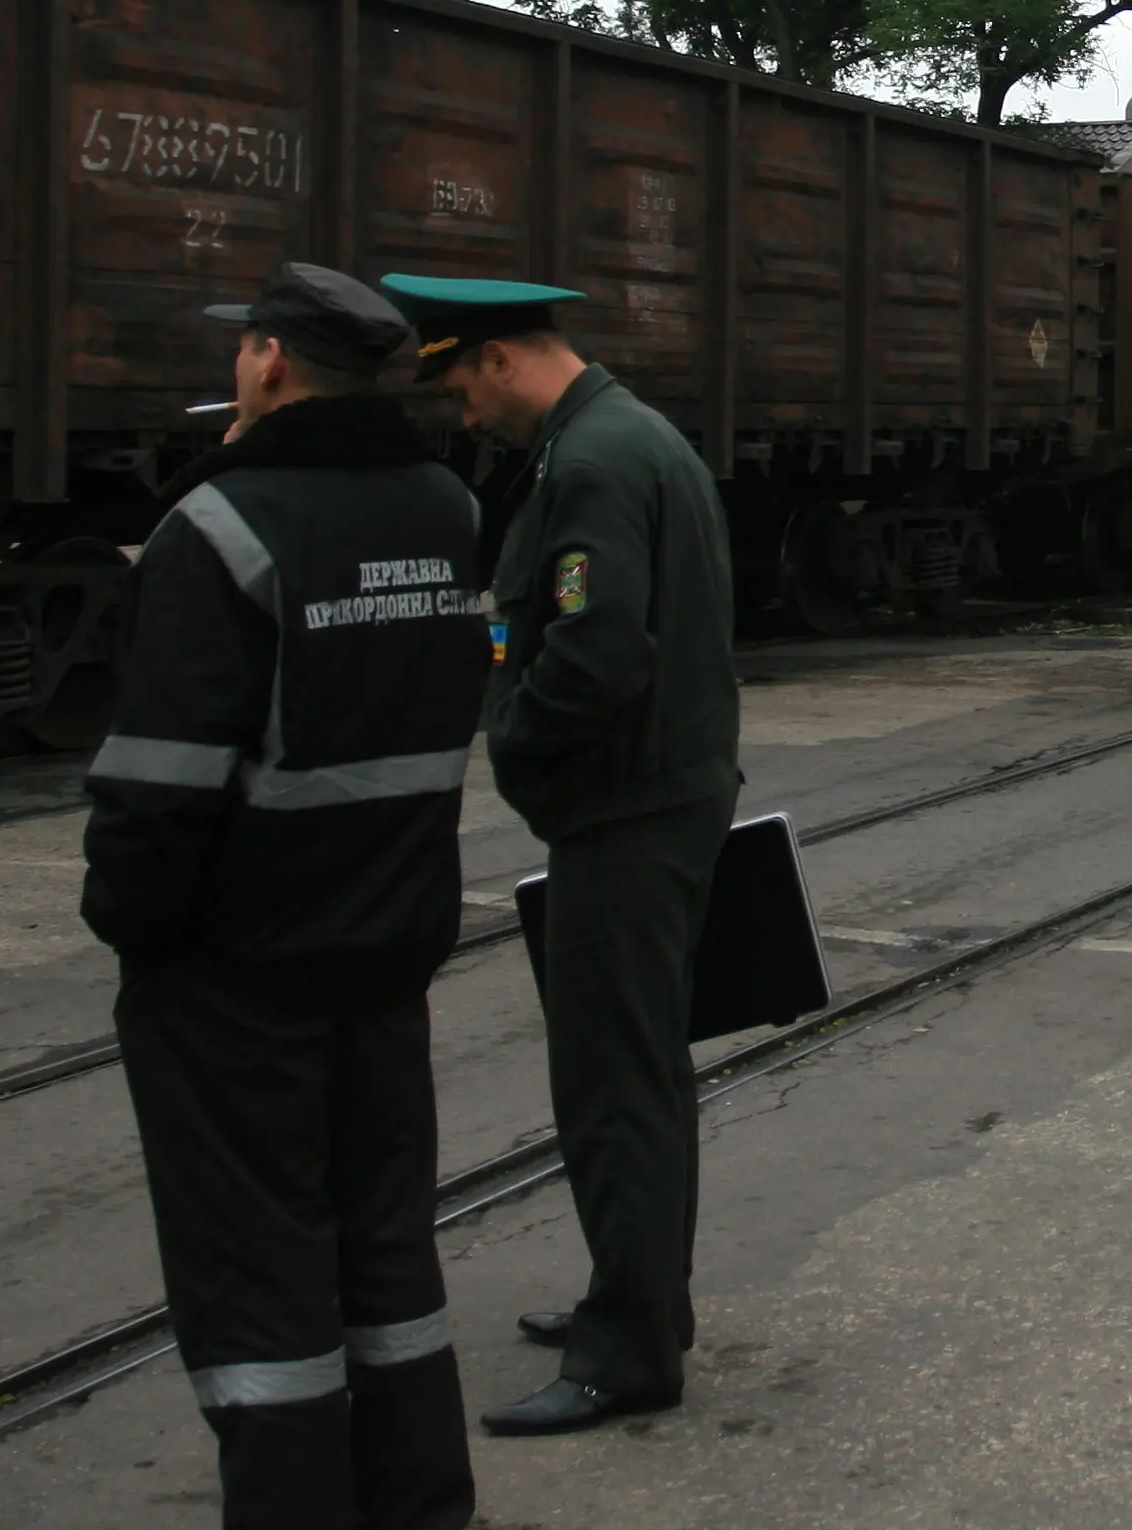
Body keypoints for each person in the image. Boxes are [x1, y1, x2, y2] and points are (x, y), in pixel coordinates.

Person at [86, 263, 487, 1530]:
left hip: (238, 976)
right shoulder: (447, 507)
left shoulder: (218, 528)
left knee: (259, 1281)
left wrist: (135, 928)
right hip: (388, 953)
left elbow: (159, 790)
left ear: (266, 361)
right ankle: (420, 1502)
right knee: (387, 1252)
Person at [382, 274, 743, 1437]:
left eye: (459, 389)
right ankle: (642, 1298)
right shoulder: (626, 436)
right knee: (641, 1070)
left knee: (613, 1083)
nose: (463, 416)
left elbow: (596, 647)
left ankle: (626, 1354)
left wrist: (515, 740)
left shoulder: (591, 460)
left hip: (626, 811)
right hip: (662, 796)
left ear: (498, 357)